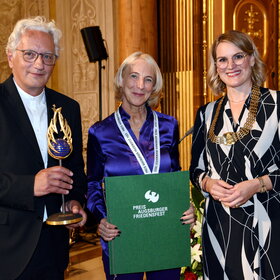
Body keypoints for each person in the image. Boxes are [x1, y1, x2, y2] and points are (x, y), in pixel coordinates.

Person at [87, 51, 195, 280]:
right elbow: (93, 183)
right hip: (121, 235)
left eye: (148, 79)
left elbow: (174, 175)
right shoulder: (100, 132)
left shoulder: (169, 126)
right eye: (133, 76)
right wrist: (101, 218)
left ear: (154, 86)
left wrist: (186, 207)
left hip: (166, 233)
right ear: (121, 80)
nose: (140, 85)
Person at [0, 16, 87, 280]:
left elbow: (74, 171)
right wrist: (31, 186)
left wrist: (74, 201)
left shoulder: (68, 108)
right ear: (10, 56)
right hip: (7, 250)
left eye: (48, 56)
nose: (39, 64)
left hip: (54, 249)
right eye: (30, 54)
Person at [190, 29, 280, 279]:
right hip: (220, 229)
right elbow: (195, 170)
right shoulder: (206, 113)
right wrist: (207, 183)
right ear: (216, 66)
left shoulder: (276, 105)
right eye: (222, 59)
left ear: (252, 59)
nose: (230, 65)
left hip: (269, 224)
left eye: (238, 56)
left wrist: (257, 184)